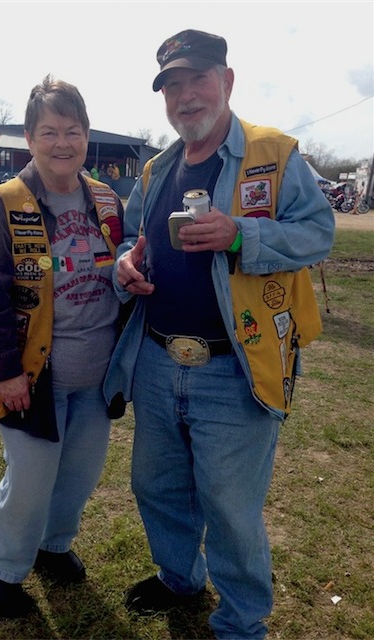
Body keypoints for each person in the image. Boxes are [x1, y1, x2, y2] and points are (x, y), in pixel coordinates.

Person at [103, 29, 335, 639]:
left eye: (197, 79)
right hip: (157, 360)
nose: (185, 96)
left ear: (227, 81)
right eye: (172, 86)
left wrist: (240, 235)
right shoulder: (156, 169)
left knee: (230, 506)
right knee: (156, 485)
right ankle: (180, 577)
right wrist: (125, 265)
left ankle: (241, 622)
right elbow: (130, 238)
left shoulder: (274, 155)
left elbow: (318, 232)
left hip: (236, 367)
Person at [0, 75, 125, 619]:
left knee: (78, 475)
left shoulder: (106, 198)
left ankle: (53, 547)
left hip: (98, 374)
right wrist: (6, 371)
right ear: (30, 138)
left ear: (87, 136)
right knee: (31, 481)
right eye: (50, 132)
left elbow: (125, 263)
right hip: (33, 377)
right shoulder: (5, 203)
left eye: (73, 131)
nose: (63, 143)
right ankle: (3, 568)